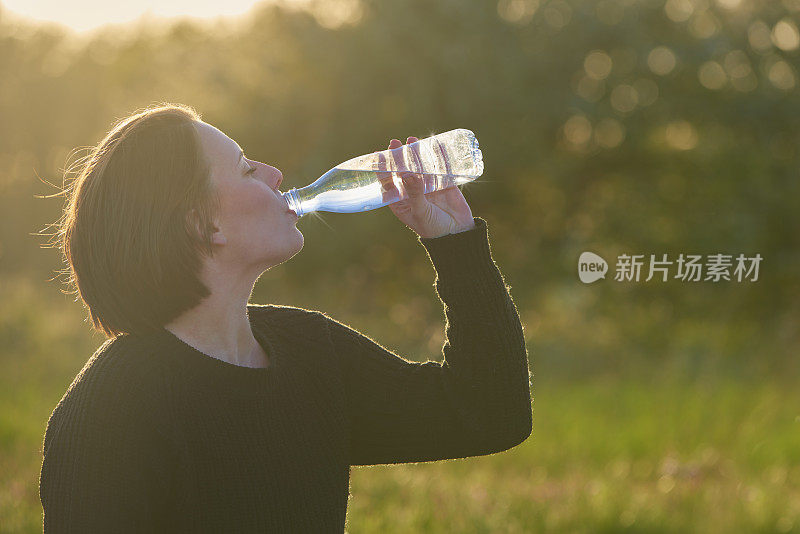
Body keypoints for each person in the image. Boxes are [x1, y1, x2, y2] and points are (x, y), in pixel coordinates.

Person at [39, 103, 532, 532]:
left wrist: (454, 243)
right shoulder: (109, 413)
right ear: (202, 223)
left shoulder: (311, 352)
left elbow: (490, 414)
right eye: (247, 170)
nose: (274, 172)